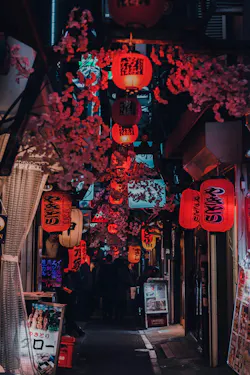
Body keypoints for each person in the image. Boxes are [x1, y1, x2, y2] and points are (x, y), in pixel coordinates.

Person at [114, 258, 132, 323]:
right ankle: (121, 316)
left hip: (115, 288)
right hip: (122, 288)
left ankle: (117, 315)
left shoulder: (114, 269)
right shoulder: (124, 269)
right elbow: (128, 278)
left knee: (117, 303)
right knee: (122, 302)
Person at [99, 254, 115, 321]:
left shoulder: (103, 267)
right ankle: (110, 314)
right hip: (111, 287)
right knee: (111, 301)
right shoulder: (113, 267)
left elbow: (99, 277)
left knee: (105, 301)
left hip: (104, 286)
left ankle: (105, 314)